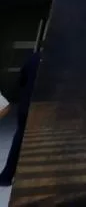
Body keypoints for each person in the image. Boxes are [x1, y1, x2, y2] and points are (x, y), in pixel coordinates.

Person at [0, 49, 41, 187]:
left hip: (27, 105)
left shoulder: (34, 58)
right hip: (43, 106)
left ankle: (7, 175)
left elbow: (21, 81)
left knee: (20, 138)